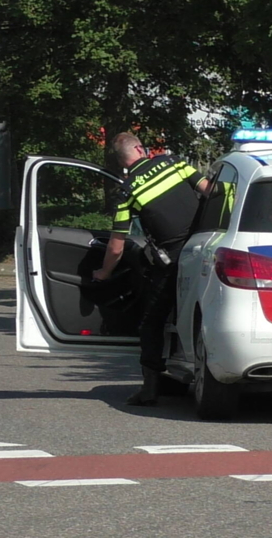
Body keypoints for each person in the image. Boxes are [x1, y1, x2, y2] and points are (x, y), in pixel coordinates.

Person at [92, 132, 213, 406]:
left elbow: (116, 248)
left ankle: (150, 387)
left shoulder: (126, 192)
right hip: (205, 246)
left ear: (122, 160)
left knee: (152, 321)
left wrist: (104, 273)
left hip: (173, 259)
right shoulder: (173, 163)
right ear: (139, 149)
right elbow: (209, 191)